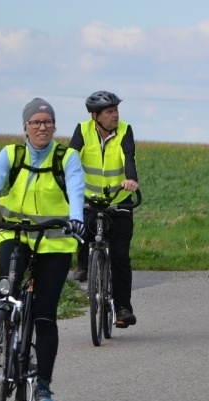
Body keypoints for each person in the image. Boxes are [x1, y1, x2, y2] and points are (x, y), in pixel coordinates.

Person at [0, 97, 86, 401]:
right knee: (7, 286)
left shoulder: (67, 157)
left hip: (55, 242)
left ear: (54, 126)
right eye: (36, 122)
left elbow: (75, 190)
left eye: (47, 122)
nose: (41, 127)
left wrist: (76, 220)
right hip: (16, 235)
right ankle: (0, 329)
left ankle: (42, 386)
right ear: (25, 128)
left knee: (45, 316)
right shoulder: (11, 154)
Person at [69, 90, 140, 328]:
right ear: (95, 116)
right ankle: (83, 265)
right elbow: (70, 158)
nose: (115, 115)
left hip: (119, 200)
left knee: (120, 256)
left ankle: (122, 309)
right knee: (78, 226)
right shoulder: (82, 130)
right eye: (110, 111)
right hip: (89, 199)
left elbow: (128, 157)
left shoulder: (125, 130)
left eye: (116, 110)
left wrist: (130, 179)